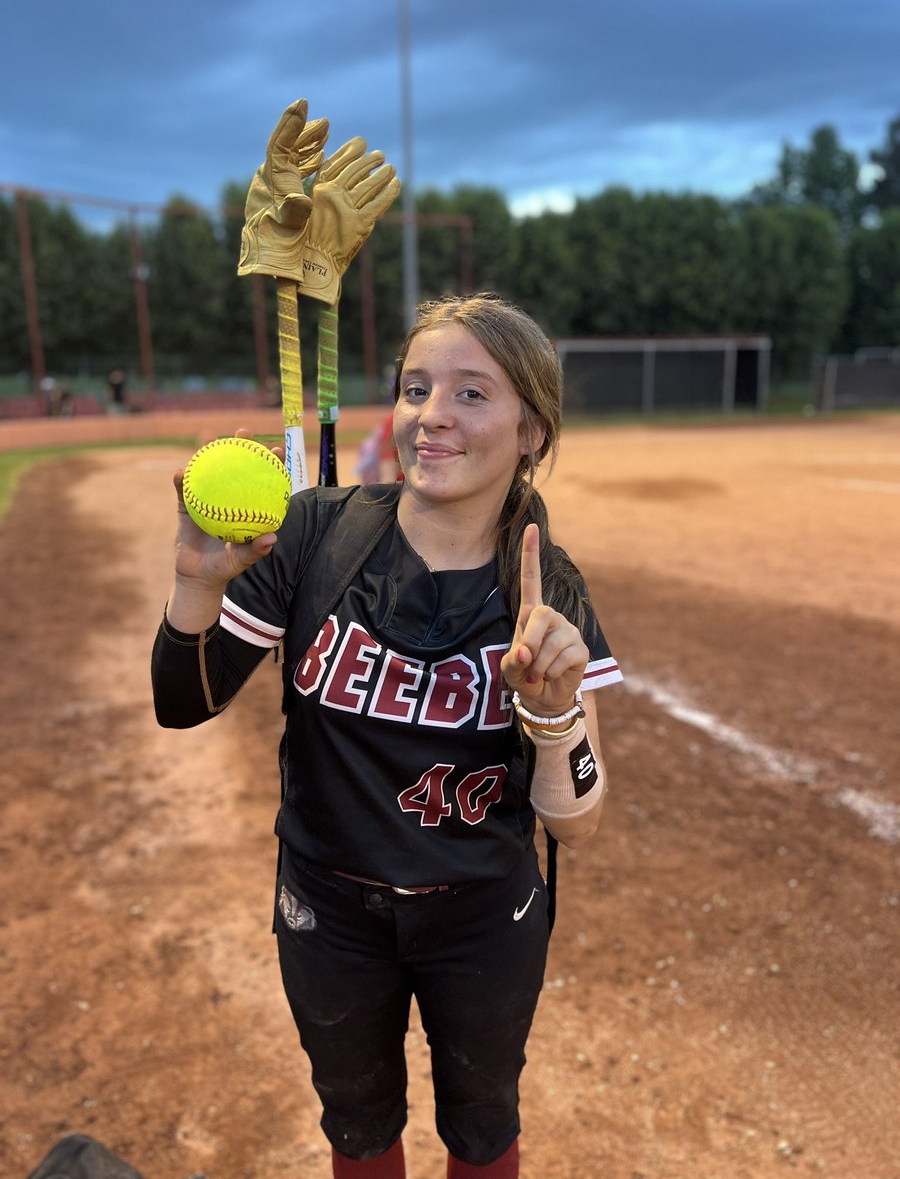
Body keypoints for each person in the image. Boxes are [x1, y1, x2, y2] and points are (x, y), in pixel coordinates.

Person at [151, 293, 623, 1179]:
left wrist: (555, 717)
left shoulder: (545, 584)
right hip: (329, 909)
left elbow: (577, 821)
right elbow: (185, 703)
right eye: (415, 389)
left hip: (482, 916)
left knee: (483, 1123)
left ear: (532, 431)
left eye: (472, 394)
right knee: (357, 1119)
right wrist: (195, 585)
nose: (431, 416)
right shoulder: (315, 532)